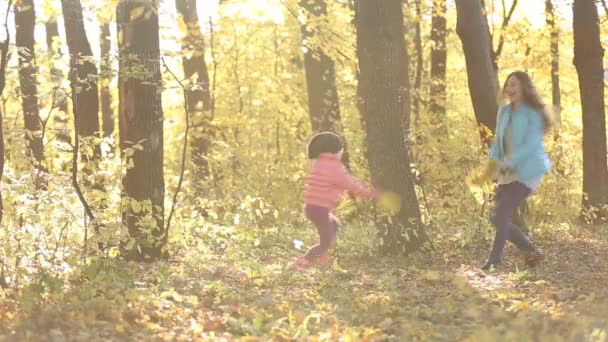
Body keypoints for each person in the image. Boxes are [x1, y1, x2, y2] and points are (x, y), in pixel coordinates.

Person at [483, 71, 553, 271]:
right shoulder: (503, 112)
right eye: (508, 85)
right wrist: (492, 164)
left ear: (524, 88)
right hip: (507, 171)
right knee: (495, 217)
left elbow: (531, 146)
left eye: (514, 85)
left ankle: (493, 262)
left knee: (502, 213)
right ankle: (531, 251)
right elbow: (497, 142)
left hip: (528, 170)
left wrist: (510, 163)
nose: (509, 89)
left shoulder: (533, 113)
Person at [293, 132, 379, 271]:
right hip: (319, 209)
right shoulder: (335, 167)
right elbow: (351, 184)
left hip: (312, 208)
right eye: (341, 150)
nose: (342, 153)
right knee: (326, 242)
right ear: (335, 151)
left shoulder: (321, 163)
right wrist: (371, 193)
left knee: (334, 225)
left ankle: (322, 259)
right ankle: (302, 263)